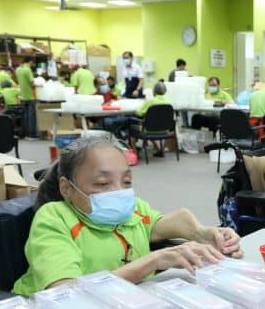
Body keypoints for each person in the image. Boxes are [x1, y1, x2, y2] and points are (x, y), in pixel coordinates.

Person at [13, 136, 242, 296]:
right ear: (67, 188)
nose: (118, 192)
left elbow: (159, 224)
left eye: (126, 182)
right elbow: (65, 292)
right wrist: (153, 260)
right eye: (102, 183)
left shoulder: (129, 209)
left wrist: (204, 234)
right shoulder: (54, 219)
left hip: (122, 306)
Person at [131, 81, 171, 157]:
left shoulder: (150, 101)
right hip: (165, 130)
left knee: (132, 130)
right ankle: (159, 150)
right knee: (151, 127)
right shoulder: (168, 102)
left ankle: (135, 155)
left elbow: (139, 113)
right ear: (165, 91)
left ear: (154, 91)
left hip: (149, 129)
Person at [16, 56, 38, 138]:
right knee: (31, 116)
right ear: (30, 61)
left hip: (22, 96)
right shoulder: (27, 70)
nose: (33, 64)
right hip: (30, 96)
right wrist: (39, 85)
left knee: (25, 116)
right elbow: (32, 83)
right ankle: (32, 134)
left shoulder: (18, 69)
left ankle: (25, 134)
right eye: (33, 62)